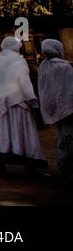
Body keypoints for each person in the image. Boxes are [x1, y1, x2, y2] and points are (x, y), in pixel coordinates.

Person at [0, 35, 47, 176]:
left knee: (2, 132)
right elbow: (24, 83)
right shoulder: (18, 60)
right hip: (16, 101)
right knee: (22, 133)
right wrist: (33, 101)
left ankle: (0, 160)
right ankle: (29, 163)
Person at [38, 38, 73, 181]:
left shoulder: (43, 66)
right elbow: (69, 89)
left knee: (61, 139)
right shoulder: (65, 67)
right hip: (68, 110)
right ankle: (64, 169)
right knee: (68, 139)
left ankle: (62, 168)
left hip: (54, 110)